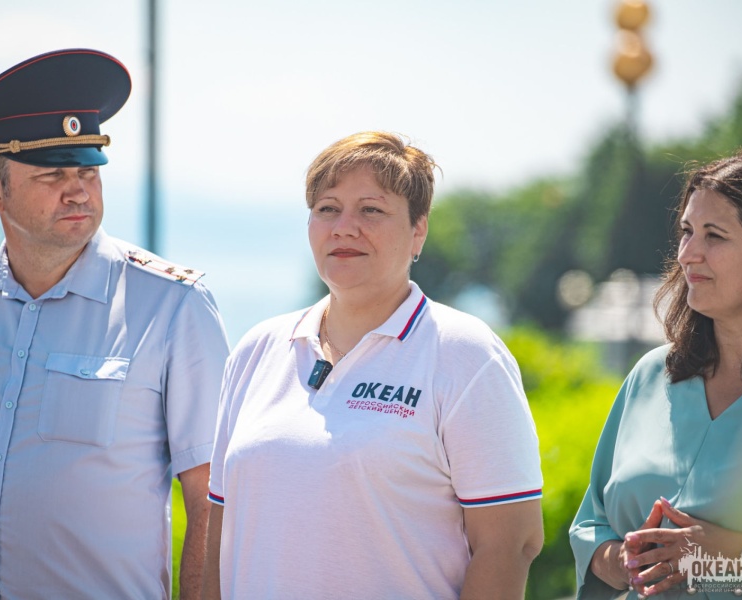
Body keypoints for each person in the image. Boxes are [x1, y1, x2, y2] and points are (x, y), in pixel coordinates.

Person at [0, 49, 229, 599]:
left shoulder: (174, 307)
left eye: (88, 170)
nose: (78, 190)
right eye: (53, 174)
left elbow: (212, 500)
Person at [201, 131, 544, 599]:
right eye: (327, 208)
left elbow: (510, 544)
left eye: (371, 210)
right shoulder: (256, 350)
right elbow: (221, 530)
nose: (344, 227)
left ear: (418, 230)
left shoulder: (466, 354)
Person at [570, 149, 742, 598]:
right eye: (686, 231)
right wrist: (624, 560)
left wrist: (730, 552)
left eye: (714, 235)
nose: (688, 254)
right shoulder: (649, 376)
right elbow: (591, 526)